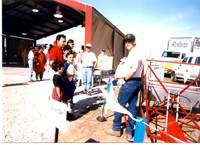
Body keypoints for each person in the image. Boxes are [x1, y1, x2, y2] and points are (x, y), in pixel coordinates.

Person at [105, 33, 145, 142]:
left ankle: (116, 128)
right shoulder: (139, 53)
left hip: (130, 81)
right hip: (137, 82)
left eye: (130, 41)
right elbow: (143, 69)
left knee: (119, 105)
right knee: (132, 107)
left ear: (134, 41)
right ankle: (129, 132)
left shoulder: (133, 54)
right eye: (126, 41)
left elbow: (133, 69)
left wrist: (125, 79)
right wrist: (142, 83)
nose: (127, 43)